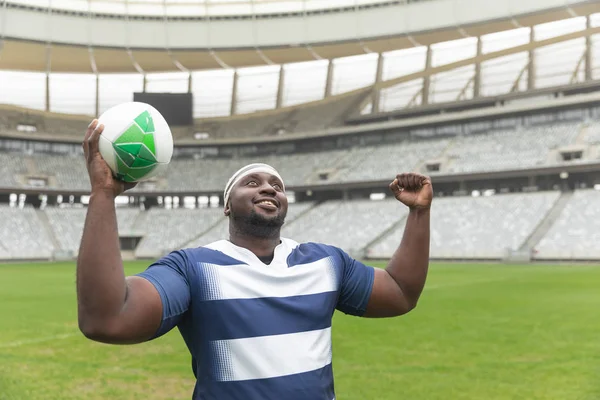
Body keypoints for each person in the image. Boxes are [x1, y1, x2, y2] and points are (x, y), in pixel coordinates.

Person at [77, 119, 433, 400]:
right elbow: (108, 320)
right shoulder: (194, 268)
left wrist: (419, 214)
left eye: (276, 186)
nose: (268, 187)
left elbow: (400, 292)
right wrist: (104, 194)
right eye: (252, 182)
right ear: (228, 206)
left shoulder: (326, 262)